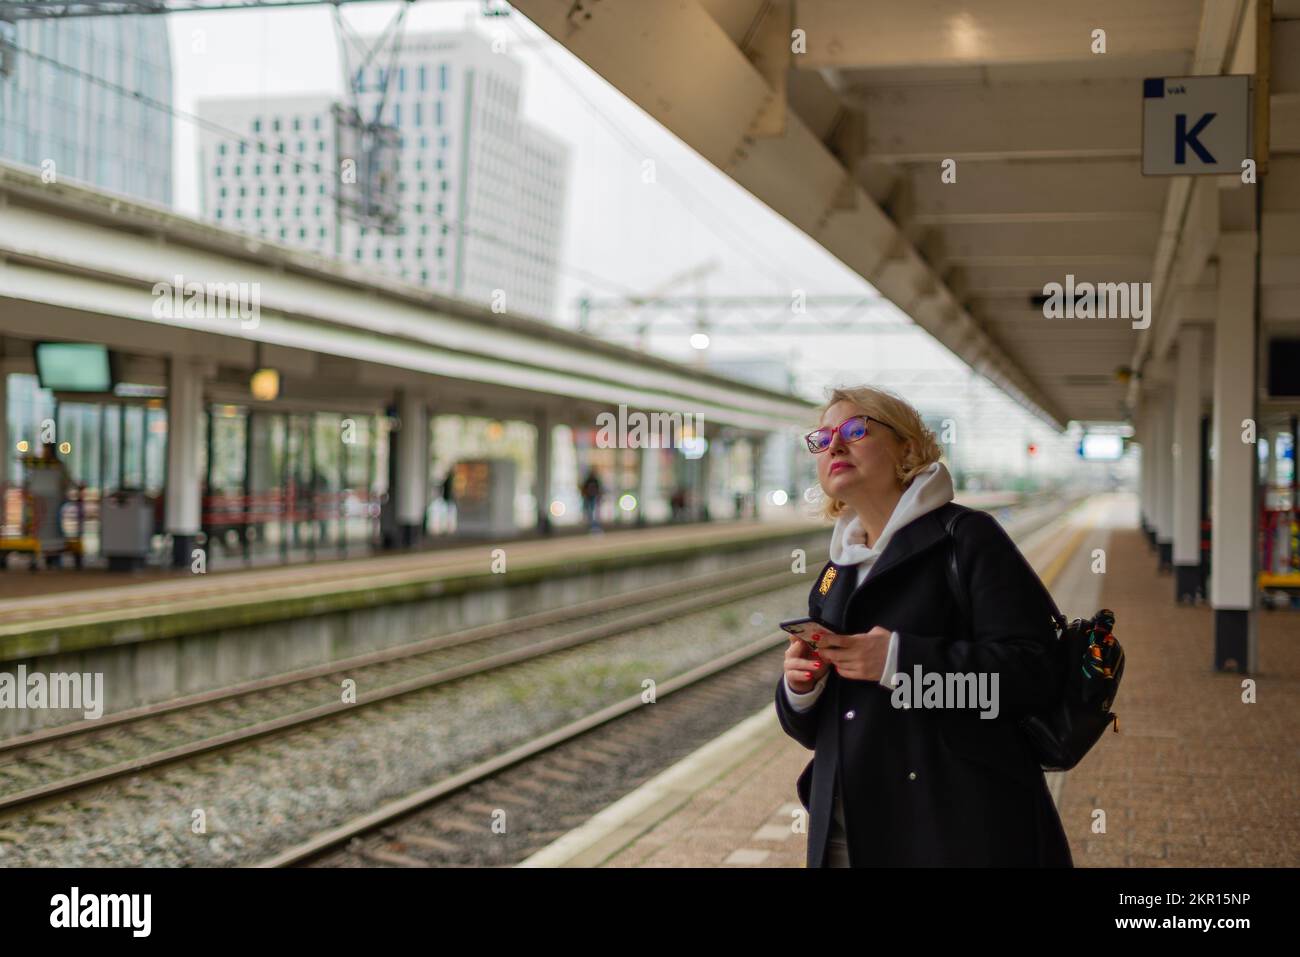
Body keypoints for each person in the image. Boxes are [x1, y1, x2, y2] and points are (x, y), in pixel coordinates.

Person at [775, 385, 1072, 867]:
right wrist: (800, 689)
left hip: (953, 830)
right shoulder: (837, 570)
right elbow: (821, 729)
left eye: (855, 429)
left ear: (907, 448)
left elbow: (1033, 675)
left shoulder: (966, 539)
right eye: (823, 437)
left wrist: (900, 662)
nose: (835, 445)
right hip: (847, 832)